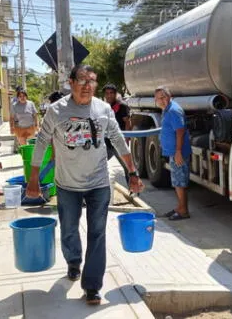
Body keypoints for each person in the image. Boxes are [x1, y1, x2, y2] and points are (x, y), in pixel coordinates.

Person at [25, 64, 144, 306]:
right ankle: (73, 261)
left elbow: (118, 140)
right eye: (82, 80)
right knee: (69, 229)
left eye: (92, 81)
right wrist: (34, 178)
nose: (87, 85)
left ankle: (92, 286)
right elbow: (41, 143)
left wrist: (132, 171)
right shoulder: (56, 111)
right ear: (70, 82)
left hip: (98, 182)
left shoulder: (103, 108)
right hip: (67, 183)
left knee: (97, 233)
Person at [154, 86, 191, 220]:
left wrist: (178, 152)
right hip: (173, 152)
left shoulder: (173, 110)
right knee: (176, 181)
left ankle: (183, 211)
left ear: (169, 96)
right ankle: (180, 207)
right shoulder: (167, 109)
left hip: (178, 153)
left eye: (163, 97)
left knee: (180, 182)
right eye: (158, 98)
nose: (161, 100)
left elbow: (180, 131)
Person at [102, 83, 133, 185]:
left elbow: (128, 123)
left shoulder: (122, 106)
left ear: (115, 94)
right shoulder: (104, 107)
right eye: (107, 93)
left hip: (119, 143)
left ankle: (133, 189)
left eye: (111, 93)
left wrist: (127, 140)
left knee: (128, 167)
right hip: (106, 143)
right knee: (97, 166)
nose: (109, 95)